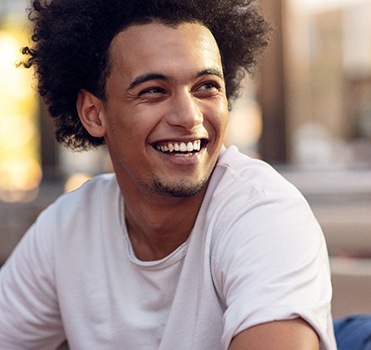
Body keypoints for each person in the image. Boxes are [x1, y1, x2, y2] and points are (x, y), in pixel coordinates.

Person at [0, 0, 337, 349]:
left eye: (206, 86)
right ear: (93, 113)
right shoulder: (67, 229)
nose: (189, 117)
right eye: (154, 91)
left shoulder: (265, 215)